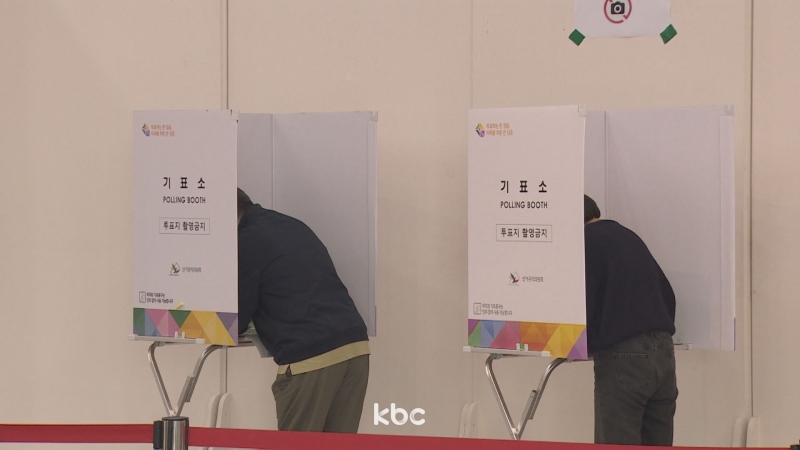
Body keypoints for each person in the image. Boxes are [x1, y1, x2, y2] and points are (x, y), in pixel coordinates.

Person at [237, 188, 370, 433]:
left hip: (311, 357)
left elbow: (237, 317)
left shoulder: (247, 239)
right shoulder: (288, 224)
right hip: (355, 347)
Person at [583, 195, 678, 446]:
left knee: (617, 443)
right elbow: (667, 294)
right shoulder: (627, 235)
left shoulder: (585, 242)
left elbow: (584, 300)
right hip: (664, 353)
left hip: (623, 358)